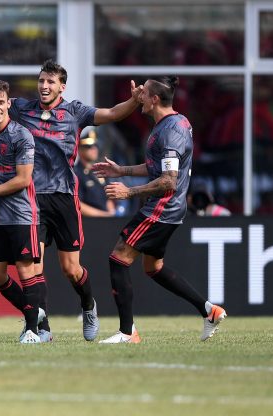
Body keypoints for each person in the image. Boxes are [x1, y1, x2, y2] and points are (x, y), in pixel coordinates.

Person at [0, 49, 142, 342]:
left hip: (64, 197)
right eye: (41, 81)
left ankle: (88, 305)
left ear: (61, 86)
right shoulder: (22, 108)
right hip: (32, 200)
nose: (44, 86)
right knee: (33, 268)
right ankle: (40, 326)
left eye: (50, 82)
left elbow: (113, 113)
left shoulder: (75, 112)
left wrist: (134, 101)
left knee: (70, 268)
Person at [92, 76, 227, 344]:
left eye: (143, 93)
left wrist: (128, 191)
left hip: (162, 207)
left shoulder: (170, 131)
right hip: (170, 208)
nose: (138, 96)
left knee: (118, 258)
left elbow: (168, 181)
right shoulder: (173, 123)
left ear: (155, 99)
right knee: (153, 267)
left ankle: (128, 333)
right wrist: (122, 171)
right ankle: (209, 311)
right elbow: (158, 168)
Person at [0, 80, 45, 343]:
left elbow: (23, 179)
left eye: (0, 103)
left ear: (8, 104)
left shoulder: (21, 135)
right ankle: (36, 315)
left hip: (22, 215)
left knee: (27, 272)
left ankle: (33, 331)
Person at [73, 128, 116, 217]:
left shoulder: (99, 171)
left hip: (105, 220)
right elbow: (77, 203)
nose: (94, 149)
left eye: (95, 145)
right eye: (89, 147)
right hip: (88, 222)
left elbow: (107, 197)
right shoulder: (76, 173)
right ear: (79, 150)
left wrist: (111, 212)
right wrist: (104, 215)